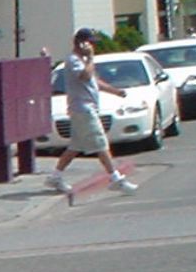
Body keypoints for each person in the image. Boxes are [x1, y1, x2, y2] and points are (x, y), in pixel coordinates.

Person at [47, 28, 138, 195]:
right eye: (90, 43)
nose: (93, 46)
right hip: (84, 110)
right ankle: (115, 178)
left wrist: (115, 91)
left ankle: (55, 176)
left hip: (84, 109)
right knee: (101, 145)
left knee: (75, 146)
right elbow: (85, 77)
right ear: (80, 43)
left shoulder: (83, 61)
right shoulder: (74, 60)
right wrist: (89, 58)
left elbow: (94, 82)